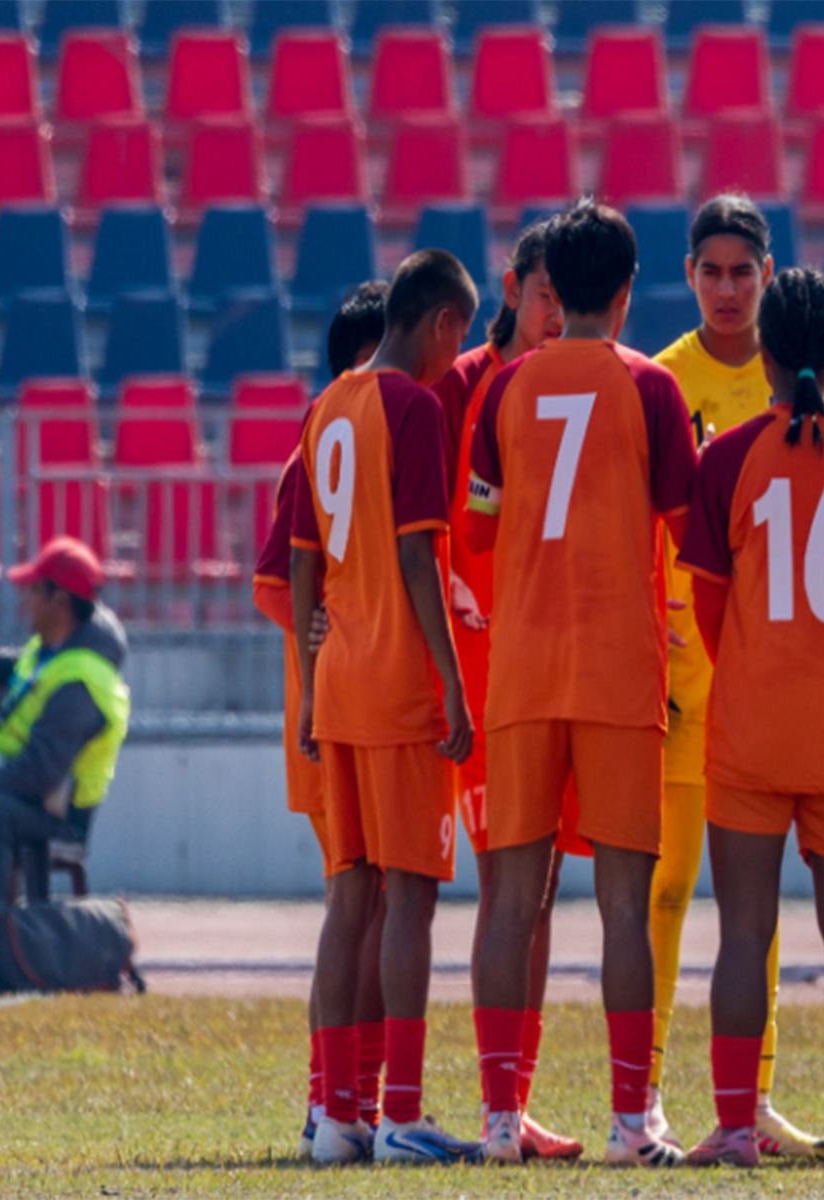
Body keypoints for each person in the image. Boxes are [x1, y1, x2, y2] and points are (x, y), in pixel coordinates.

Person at [465, 200, 696, 1168]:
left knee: (510, 898)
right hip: (614, 664)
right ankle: (630, 1119)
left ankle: (495, 1116)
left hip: (522, 662)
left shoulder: (505, 390)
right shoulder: (649, 389)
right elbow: (686, 524)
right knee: (622, 899)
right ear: (632, 287)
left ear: (547, 288)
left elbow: (477, 526)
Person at [677, 268, 824, 1169]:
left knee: (743, 932)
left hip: (750, 723)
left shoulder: (726, 458)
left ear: (765, 351)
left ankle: (734, 1130)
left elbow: (708, 603)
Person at [291, 250, 479, 1165]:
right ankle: (402, 1113)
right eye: (463, 334)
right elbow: (418, 557)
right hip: (402, 681)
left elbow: (300, 559)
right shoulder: (412, 407)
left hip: (340, 681)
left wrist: (309, 668)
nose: (461, 355)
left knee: (348, 897)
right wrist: (451, 679)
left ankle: (336, 1115)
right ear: (442, 321)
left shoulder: (325, 406)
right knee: (411, 898)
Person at [646, 194, 820, 1156]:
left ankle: (749, 1097)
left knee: (756, 901)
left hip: (767, 678)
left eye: (741, 271)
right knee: (668, 891)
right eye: (709, 271)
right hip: (680, 673)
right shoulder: (665, 381)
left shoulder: (794, 381)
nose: (725, 289)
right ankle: (653, 1095)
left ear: (767, 271)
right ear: (689, 276)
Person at [433, 218, 581, 1162]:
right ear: (513, 286)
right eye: (543, 296)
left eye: (570, 299)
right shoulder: (462, 387)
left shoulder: (586, 381)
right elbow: (431, 520)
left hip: (562, 664)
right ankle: (493, 1105)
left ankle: (514, 1102)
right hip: (486, 673)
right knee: (507, 891)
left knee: (544, 889)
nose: (556, 315)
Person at [252, 281, 389, 1158]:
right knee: (357, 902)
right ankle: (327, 1104)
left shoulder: (341, 441)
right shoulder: (326, 444)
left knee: (368, 906)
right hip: (335, 705)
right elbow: (273, 581)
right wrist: (332, 627)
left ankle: (350, 1102)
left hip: (339, 698)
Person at [0, 537, 129, 993]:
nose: (25, 597)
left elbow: (40, 773)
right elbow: (19, 669)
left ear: (59, 599)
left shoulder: (81, 681)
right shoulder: (52, 649)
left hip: (56, 816)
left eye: (34, 589)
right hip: (16, 791)